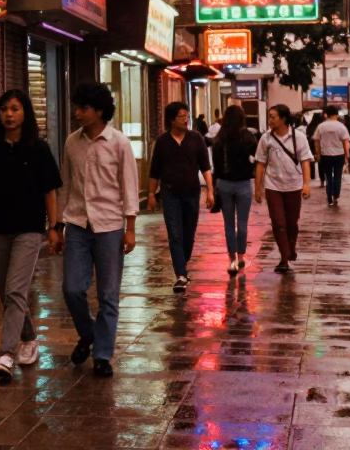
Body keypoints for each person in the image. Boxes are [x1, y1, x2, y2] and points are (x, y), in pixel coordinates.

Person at [0, 89, 63, 380]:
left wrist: (54, 228)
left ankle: (6, 353)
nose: (8, 114)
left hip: (29, 229)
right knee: (6, 291)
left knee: (15, 290)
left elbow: (50, 191)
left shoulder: (39, 149)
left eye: (15, 109)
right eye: (4, 109)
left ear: (25, 113)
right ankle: (29, 337)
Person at [58, 82, 139, 378]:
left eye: (83, 108)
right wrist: (58, 223)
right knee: (72, 288)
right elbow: (66, 185)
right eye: (77, 107)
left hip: (110, 226)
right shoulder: (71, 142)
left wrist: (130, 228)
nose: (77, 113)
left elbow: (129, 185)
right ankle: (89, 333)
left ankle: (102, 355)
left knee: (108, 295)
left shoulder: (119, 143)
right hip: (78, 224)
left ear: (100, 111)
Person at [148, 102, 213, 293]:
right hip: (170, 194)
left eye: (187, 116)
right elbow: (154, 171)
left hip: (192, 193)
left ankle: (182, 265)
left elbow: (205, 167)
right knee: (174, 234)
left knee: (188, 235)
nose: (186, 119)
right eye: (181, 116)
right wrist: (151, 194)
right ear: (171, 119)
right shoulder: (162, 142)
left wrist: (210, 191)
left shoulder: (195, 138)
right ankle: (181, 275)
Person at [254, 104, 314, 273]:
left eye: (273, 117)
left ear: (284, 118)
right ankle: (284, 257)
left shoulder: (299, 137)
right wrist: (257, 188)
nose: (270, 120)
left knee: (291, 223)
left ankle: (290, 248)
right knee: (278, 222)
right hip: (273, 185)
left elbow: (306, 161)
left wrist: (306, 184)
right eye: (269, 116)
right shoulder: (266, 139)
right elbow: (260, 164)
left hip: (294, 185)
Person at [211, 105, 258, 275]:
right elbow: (256, 159)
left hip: (224, 184)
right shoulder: (248, 137)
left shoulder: (219, 138)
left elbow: (216, 166)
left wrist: (213, 186)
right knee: (243, 224)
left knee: (229, 224)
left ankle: (231, 260)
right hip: (244, 183)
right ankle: (241, 257)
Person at [314, 105, 350, 207]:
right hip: (339, 154)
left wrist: (318, 154)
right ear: (336, 114)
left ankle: (329, 197)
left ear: (326, 115)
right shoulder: (341, 126)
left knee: (328, 177)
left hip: (325, 154)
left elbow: (316, 141)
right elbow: (346, 142)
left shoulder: (320, 126)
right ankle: (336, 195)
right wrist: (347, 156)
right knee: (338, 176)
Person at [305, 112, 324, 185]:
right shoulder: (321, 126)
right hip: (321, 144)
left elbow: (308, 134)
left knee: (313, 161)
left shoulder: (310, 125)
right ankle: (323, 179)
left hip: (312, 145)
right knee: (322, 163)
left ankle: (312, 176)